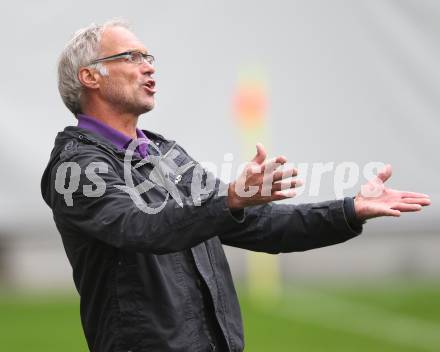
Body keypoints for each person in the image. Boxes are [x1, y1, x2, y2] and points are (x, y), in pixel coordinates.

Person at [41, 20, 431, 352]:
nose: (148, 68)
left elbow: (256, 224)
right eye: (131, 57)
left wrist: (349, 210)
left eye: (149, 58)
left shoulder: (164, 153)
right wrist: (228, 199)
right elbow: (140, 227)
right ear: (90, 76)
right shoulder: (77, 166)